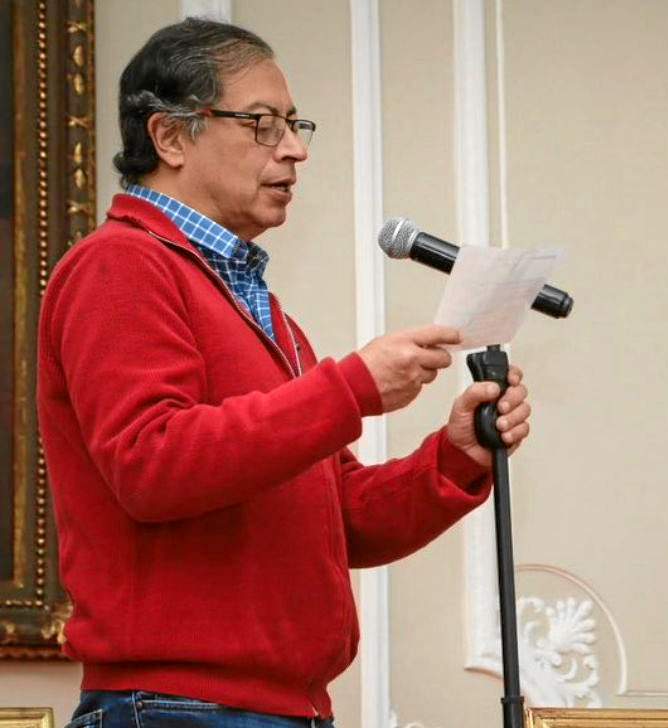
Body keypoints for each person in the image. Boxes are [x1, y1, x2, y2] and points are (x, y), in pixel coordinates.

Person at [38, 18, 532, 728]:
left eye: (295, 125)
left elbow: (341, 520)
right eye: (263, 124)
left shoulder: (256, 307)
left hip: (270, 709)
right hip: (181, 710)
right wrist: (351, 388)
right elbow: (152, 463)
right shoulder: (118, 265)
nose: (296, 149)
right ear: (171, 136)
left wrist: (456, 456)